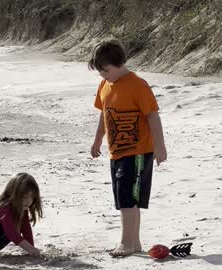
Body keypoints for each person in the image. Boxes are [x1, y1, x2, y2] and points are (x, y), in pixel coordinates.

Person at [88, 40, 167, 257]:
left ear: (119, 63)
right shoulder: (104, 86)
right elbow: (103, 116)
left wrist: (160, 147)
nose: (103, 75)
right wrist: (97, 141)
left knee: (128, 198)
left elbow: (153, 116)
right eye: (100, 72)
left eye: (105, 70)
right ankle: (135, 242)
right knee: (127, 198)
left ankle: (126, 243)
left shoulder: (138, 85)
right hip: (116, 152)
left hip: (139, 152)